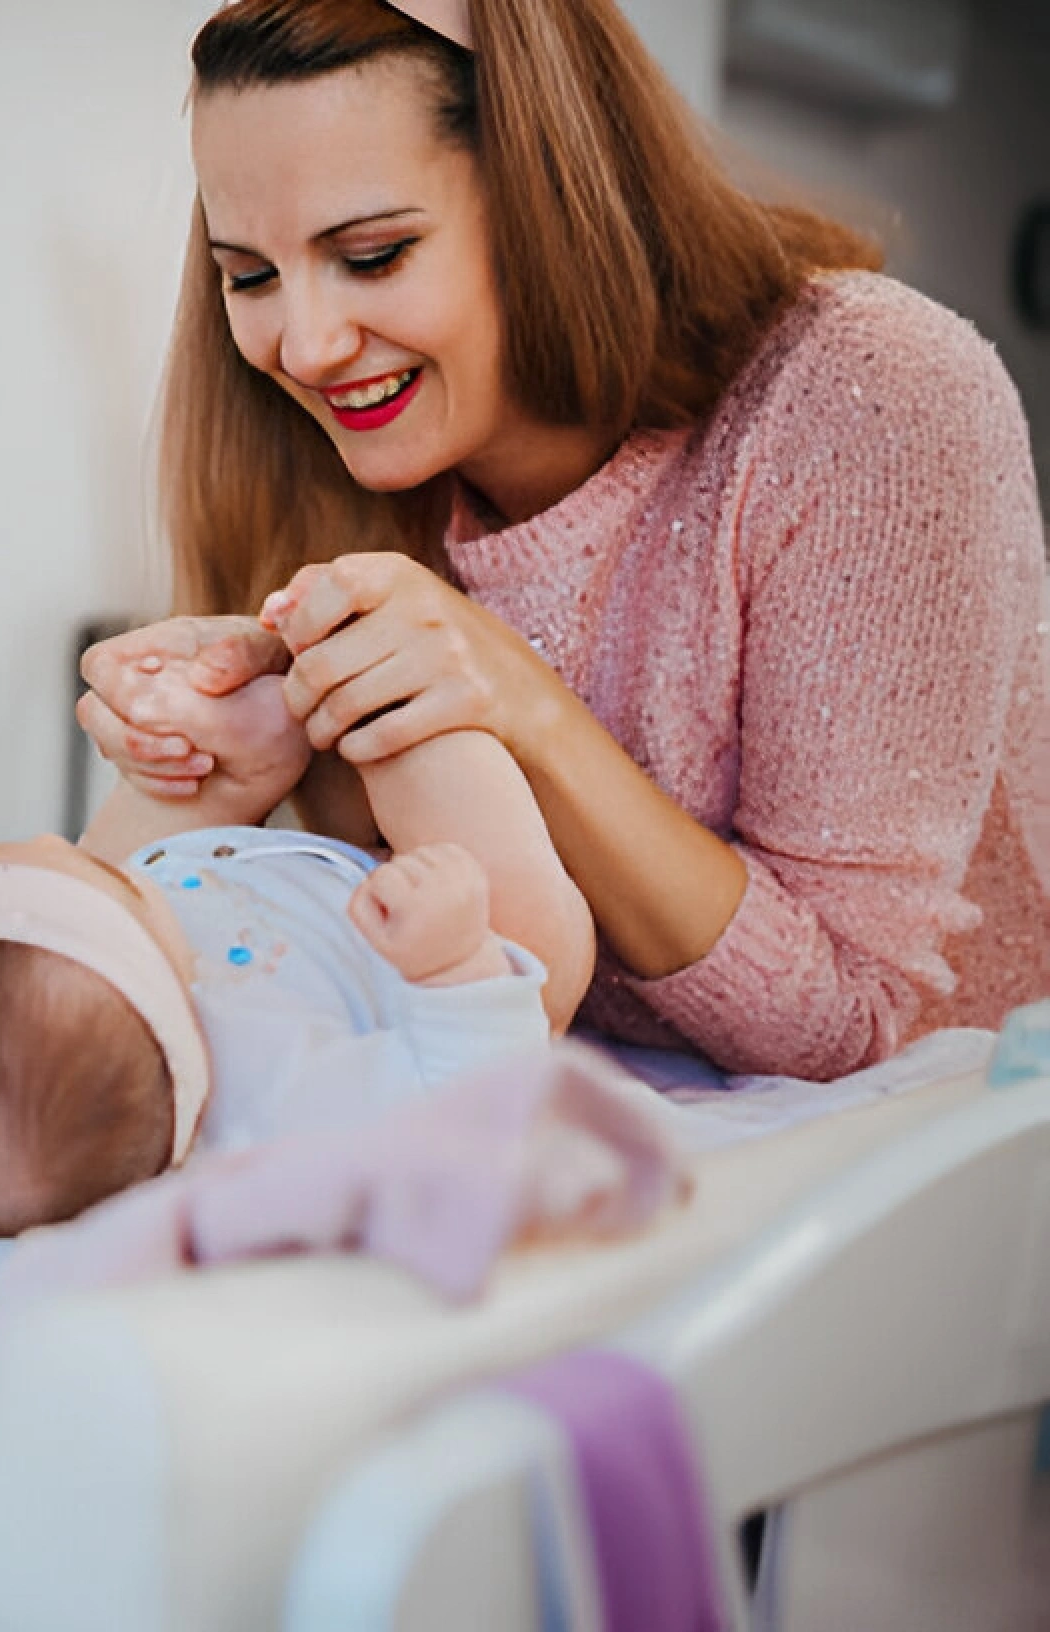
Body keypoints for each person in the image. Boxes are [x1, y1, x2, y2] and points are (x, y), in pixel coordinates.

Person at [77, 0, 1050, 1082]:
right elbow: (384, 987)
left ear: (548, 195)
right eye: (249, 276)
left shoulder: (870, 396)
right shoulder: (328, 475)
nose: (302, 345)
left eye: (374, 254)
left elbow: (850, 1024)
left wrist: (520, 703)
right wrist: (223, 774)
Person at [0, 654, 594, 1238]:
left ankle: (246, 754)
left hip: (212, 875)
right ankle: (405, 716)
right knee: (422, 749)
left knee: (167, 807)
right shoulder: (278, 1106)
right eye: (88, 877)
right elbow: (481, 1120)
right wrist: (452, 964)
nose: (61, 844)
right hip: (429, 929)